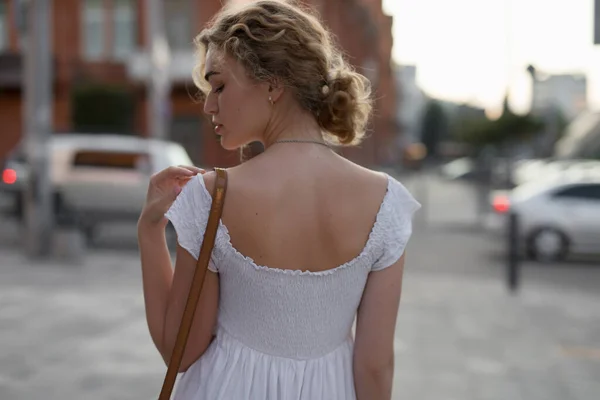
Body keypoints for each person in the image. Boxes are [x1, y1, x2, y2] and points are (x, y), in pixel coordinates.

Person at [137, 1, 420, 399]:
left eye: (219, 85)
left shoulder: (212, 198)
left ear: (272, 83)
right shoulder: (386, 204)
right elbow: (375, 367)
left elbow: (179, 352)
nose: (208, 105)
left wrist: (150, 231)